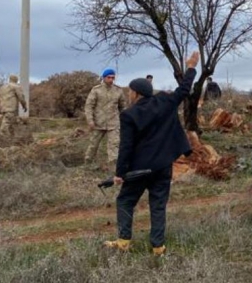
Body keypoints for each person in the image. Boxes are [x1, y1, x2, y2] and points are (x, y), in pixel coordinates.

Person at [103, 52, 199, 256]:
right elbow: (183, 90)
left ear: (136, 93)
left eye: (130, 91)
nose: (129, 94)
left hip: (139, 169)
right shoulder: (165, 101)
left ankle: (123, 242)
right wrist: (191, 67)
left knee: (125, 201)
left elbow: (126, 147)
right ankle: (158, 247)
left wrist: (120, 173)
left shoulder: (129, 115)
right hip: (163, 166)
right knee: (158, 205)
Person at [84, 68, 129, 171]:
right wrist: (90, 121)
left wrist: (125, 119)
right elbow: (89, 106)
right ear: (104, 77)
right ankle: (88, 164)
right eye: (109, 77)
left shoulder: (118, 90)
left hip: (113, 123)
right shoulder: (96, 90)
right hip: (98, 123)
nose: (111, 80)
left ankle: (114, 168)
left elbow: (123, 106)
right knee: (93, 145)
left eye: (113, 78)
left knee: (114, 145)